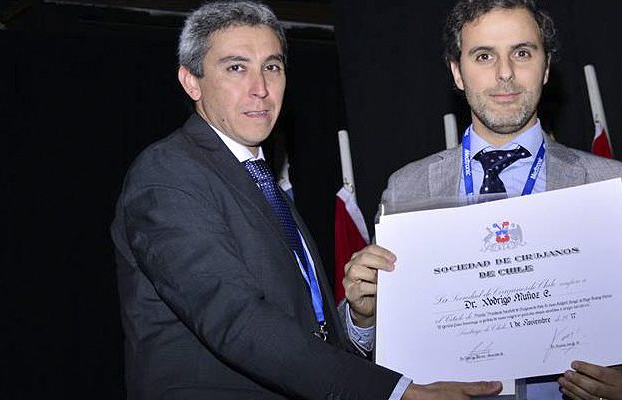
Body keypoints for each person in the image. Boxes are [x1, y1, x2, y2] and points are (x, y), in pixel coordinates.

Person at [111, 2, 501, 399]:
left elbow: (308, 328)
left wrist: (359, 319)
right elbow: (237, 320)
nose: (260, 88)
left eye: (272, 66)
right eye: (236, 67)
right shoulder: (168, 173)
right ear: (191, 82)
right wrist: (396, 393)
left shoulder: (257, 177)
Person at [340, 1, 622, 399]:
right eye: (484, 56)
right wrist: (362, 316)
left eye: (522, 53)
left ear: (546, 68)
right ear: (457, 72)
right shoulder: (407, 188)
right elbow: (378, 342)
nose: (505, 73)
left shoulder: (608, 182)